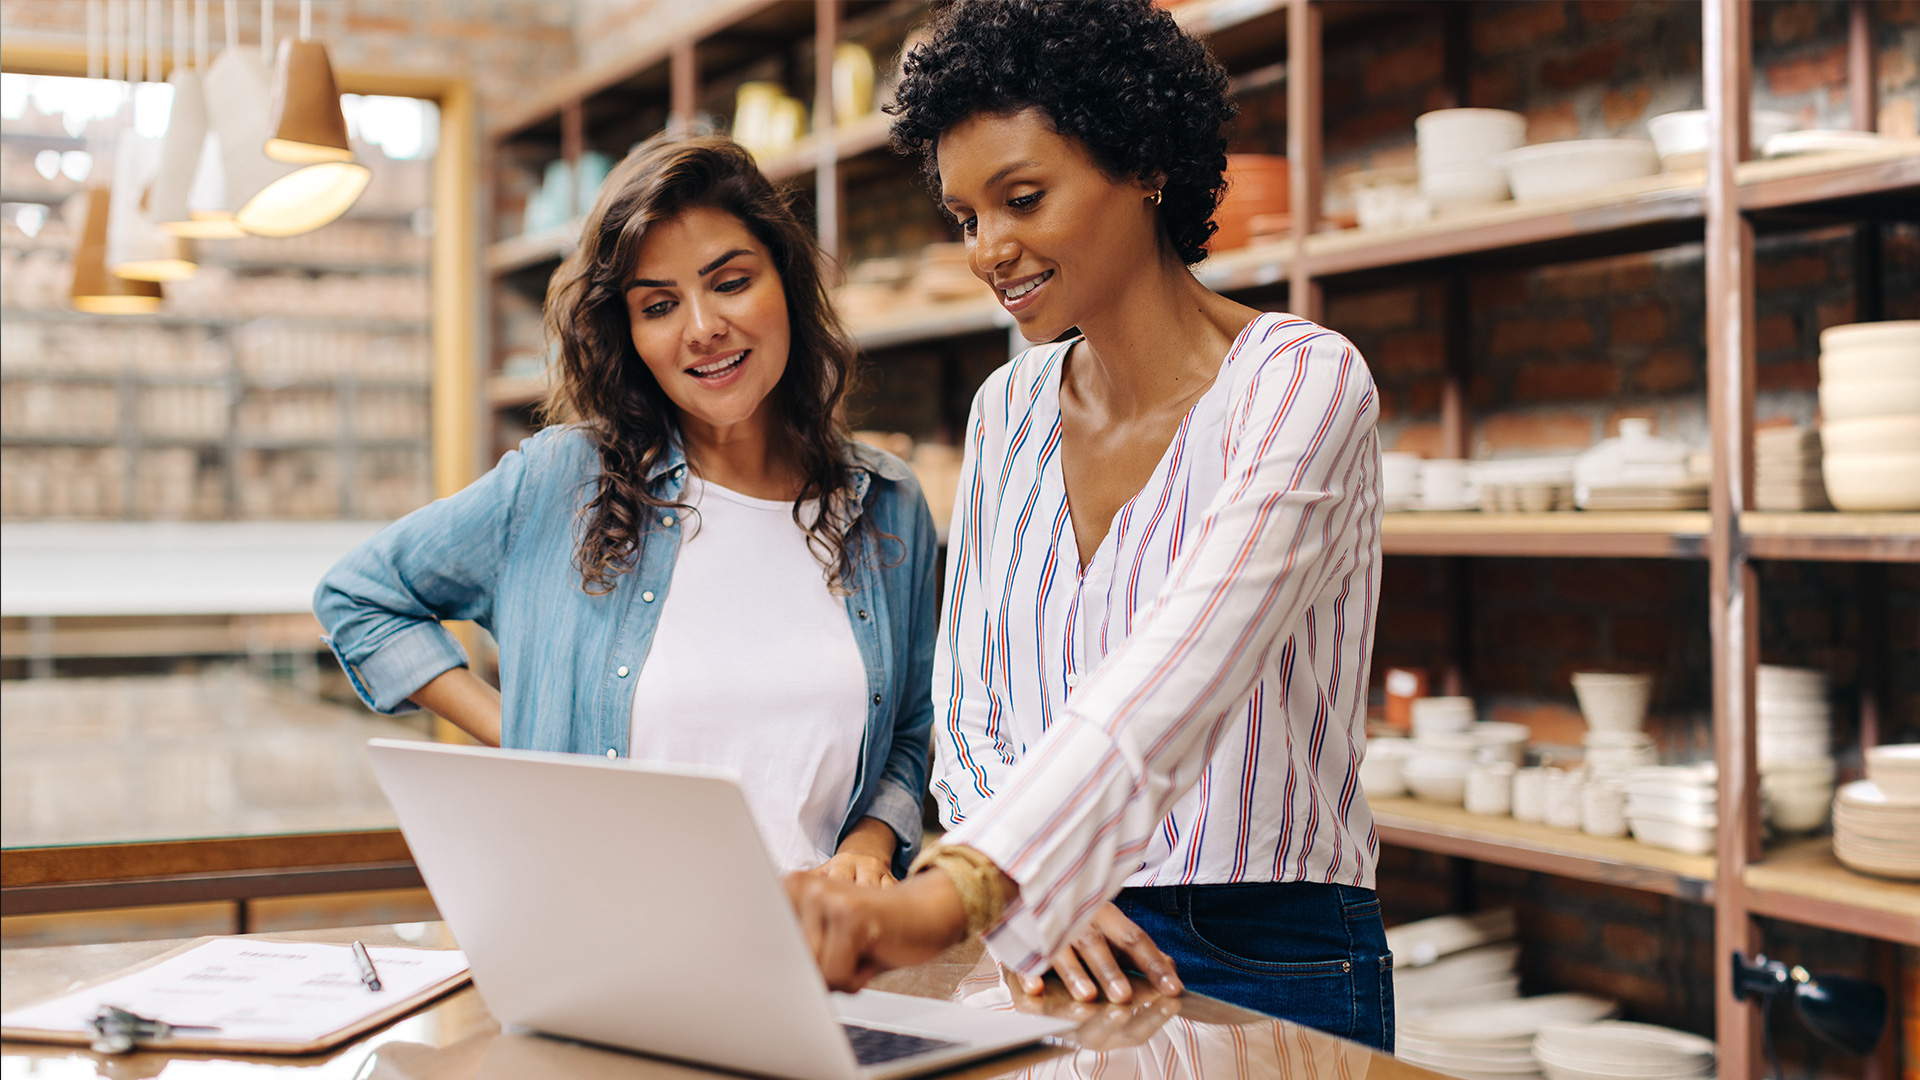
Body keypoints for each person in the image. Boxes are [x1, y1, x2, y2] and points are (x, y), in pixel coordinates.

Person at [784, 0, 1390, 1049]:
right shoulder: (1006, 409)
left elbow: (1185, 664)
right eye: (968, 217)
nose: (988, 249)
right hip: (1035, 942)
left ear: (1145, 163)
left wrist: (970, 886)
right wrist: (1032, 894)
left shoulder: (1301, 384)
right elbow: (969, 703)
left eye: (1023, 198)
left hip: (1264, 946)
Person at [316, 134, 938, 882]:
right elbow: (359, 597)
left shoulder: (886, 503)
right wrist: (521, 740)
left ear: (787, 284)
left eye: (732, 282)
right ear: (630, 334)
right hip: (608, 948)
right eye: (660, 305)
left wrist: (871, 843)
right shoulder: (565, 482)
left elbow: (908, 726)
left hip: (828, 963)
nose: (703, 327)